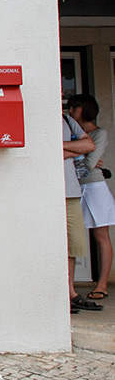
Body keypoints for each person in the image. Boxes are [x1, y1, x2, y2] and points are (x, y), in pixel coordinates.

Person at [67, 94, 115, 301]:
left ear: (83, 109)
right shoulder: (72, 131)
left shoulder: (99, 133)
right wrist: (81, 150)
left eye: (73, 107)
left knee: (101, 235)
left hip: (94, 187)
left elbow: (88, 164)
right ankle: (71, 287)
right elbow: (89, 159)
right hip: (76, 187)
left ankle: (102, 283)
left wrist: (72, 151)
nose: (70, 111)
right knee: (74, 238)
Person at [63, 109, 102, 313]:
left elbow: (89, 145)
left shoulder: (67, 120)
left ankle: (71, 293)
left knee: (73, 245)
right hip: (49, 195)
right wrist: (75, 150)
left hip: (71, 192)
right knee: (54, 245)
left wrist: (64, 149)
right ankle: (58, 294)